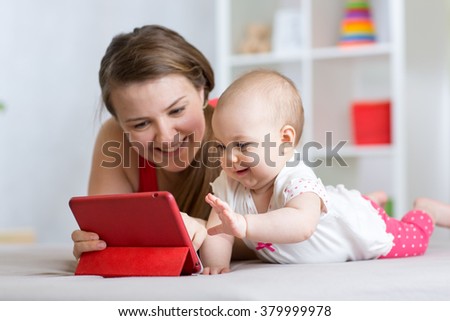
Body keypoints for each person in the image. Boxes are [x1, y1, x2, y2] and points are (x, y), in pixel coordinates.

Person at [200, 69, 450, 274]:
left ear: (285, 140)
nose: (229, 158)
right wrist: (215, 265)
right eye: (221, 146)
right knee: (343, 203)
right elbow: (217, 232)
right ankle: (370, 200)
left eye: (242, 145)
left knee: (413, 242)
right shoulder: (228, 184)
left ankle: (426, 210)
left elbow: (302, 225)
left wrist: (245, 224)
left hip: (356, 227)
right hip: (338, 207)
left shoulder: (296, 179)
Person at [71, 25, 227, 259]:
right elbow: (110, 243)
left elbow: (286, 233)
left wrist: (207, 232)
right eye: (140, 124)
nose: (165, 138)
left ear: (202, 91)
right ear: (120, 123)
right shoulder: (115, 139)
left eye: (176, 110)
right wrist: (94, 246)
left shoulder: (235, 128)